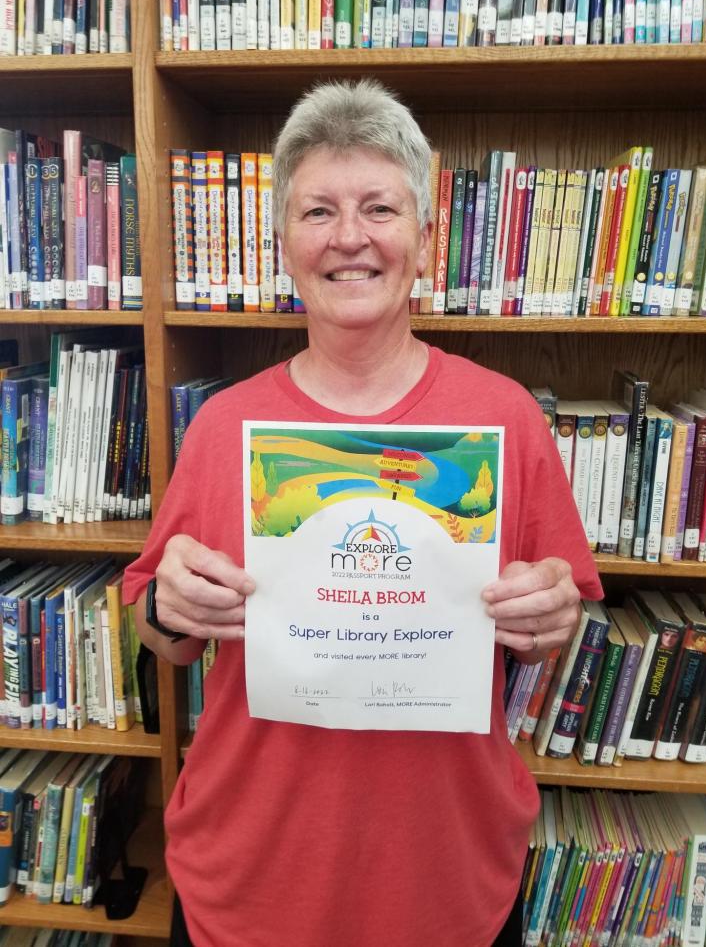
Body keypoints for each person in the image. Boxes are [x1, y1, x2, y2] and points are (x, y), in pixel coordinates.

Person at [123, 79, 603, 947]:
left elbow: (548, 628)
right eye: (318, 211)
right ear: (283, 244)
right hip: (250, 879)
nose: (349, 237)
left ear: (425, 240)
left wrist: (549, 616)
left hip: (445, 881)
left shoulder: (503, 419)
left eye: (379, 208)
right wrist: (167, 605)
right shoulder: (225, 425)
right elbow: (163, 632)